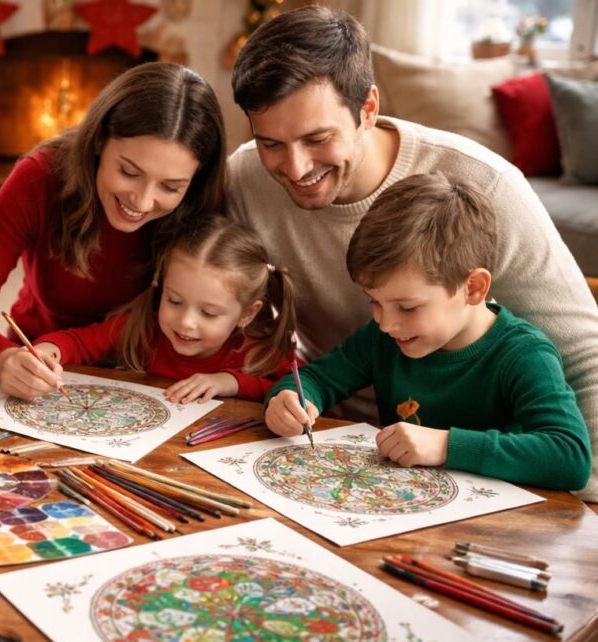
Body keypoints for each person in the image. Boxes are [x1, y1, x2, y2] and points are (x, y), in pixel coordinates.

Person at [228, 6, 598, 499]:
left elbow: (584, 363)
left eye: (317, 138)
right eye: (271, 142)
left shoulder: (483, 186)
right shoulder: (246, 178)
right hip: (345, 449)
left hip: (486, 477)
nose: (294, 168)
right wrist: (290, 397)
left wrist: (581, 515)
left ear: (368, 109)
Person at [265, 174, 591, 490]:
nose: (386, 323)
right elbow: (315, 380)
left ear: (473, 288)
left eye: (407, 308)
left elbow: (570, 457)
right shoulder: (384, 338)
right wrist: (290, 400)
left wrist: (446, 445)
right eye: (374, 302)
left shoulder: (524, 354)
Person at [0, 62, 227, 400]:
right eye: (129, 172)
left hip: (151, 382)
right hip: (38, 374)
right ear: (100, 140)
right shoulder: (40, 178)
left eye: (171, 187)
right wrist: (1, 358)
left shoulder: (204, 202)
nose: (143, 202)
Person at [33, 218, 297, 403]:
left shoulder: (256, 352)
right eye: (174, 301)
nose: (185, 322)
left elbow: (300, 390)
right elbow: (77, 342)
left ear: (247, 313)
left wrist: (230, 383)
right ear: (161, 286)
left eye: (208, 313)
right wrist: (47, 353)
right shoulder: (141, 328)